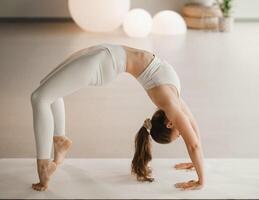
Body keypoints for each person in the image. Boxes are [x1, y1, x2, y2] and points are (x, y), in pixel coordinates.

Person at [30, 43, 205, 191]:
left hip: (103, 62)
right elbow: (194, 140)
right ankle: (60, 142)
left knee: (39, 98)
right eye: (180, 133)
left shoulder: (171, 102)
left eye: (180, 133)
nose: (184, 130)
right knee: (46, 89)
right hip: (106, 53)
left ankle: (44, 166)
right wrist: (200, 180)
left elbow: (193, 141)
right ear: (170, 124)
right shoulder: (173, 102)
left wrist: (197, 167)